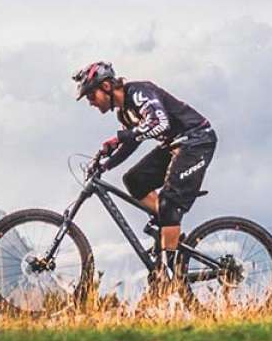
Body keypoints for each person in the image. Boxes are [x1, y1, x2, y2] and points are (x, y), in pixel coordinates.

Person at [72, 61, 217, 279]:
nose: (91, 103)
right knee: (134, 180)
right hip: (175, 145)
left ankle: (170, 271)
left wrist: (119, 137)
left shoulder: (139, 92)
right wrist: (105, 164)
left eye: (91, 96)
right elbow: (132, 143)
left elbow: (160, 124)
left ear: (107, 87)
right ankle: (169, 231)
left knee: (169, 203)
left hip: (197, 140)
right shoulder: (124, 113)